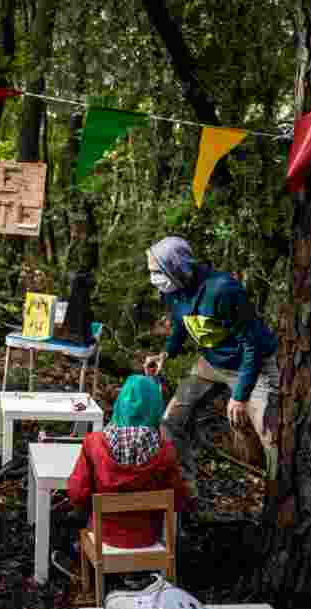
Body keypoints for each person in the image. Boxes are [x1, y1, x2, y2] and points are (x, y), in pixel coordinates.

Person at [143, 236, 279, 498]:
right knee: (172, 421)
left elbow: (253, 345)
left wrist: (239, 396)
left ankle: (278, 503)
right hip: (211, 361)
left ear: (176, 267)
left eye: (156, 271)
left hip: (253, 364)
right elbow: (183, 324)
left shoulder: (223, 290)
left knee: (270, 434)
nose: (153, 278)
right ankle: (184, 492)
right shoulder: (173, 291)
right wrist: (166, 354)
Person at [51, 375, 194, 580]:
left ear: (120, 404)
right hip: (148, 538)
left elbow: (78, 493)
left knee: (74, 529)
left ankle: (84, 566)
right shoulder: (165, 452)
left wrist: (85, 506)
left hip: (105, 534)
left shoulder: (95, 444)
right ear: (156, 409)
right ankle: (135, 574)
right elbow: (179, 500)